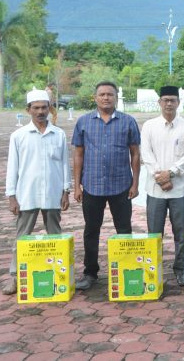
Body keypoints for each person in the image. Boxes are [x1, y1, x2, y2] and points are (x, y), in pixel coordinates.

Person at [72, 81, 141, 290]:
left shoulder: (128, 122)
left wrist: (135, 182)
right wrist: (76, 186)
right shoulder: (83, 122)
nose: (106, 98)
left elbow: (135, 153)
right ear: (95, 98)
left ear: (116, 98)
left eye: (110, 94)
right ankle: (90, 273)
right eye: (102, 94)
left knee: (124, 230)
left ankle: (126, 269)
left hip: (121, 184)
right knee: (91, 230)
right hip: (92, 185)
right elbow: (78, 154)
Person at [2, 89, 70, 295]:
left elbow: (65, 164)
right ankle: (15, 277)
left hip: (52, 193)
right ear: (28, 110)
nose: (41, 112)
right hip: (26, 194)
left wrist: (66, 190)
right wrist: (11, 195)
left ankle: (60, 275)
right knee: (22, 238)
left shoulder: (58, 134)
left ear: (49, 109)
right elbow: (12, 167)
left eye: (44, 107)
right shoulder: (19, 135)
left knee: (55, 237)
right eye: (36, 108)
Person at [140, 86, 184, 287]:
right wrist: (161, 177)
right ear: (159, 102)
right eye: (165, 100)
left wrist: (170, 173)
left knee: (180, 232)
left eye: (173, 100)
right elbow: (146, 155)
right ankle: (153, 270)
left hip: (179, 189)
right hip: (155, 190)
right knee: (154, 234)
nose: (169, 104)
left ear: (178, 102)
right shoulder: (149, 126)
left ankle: (181, 270)